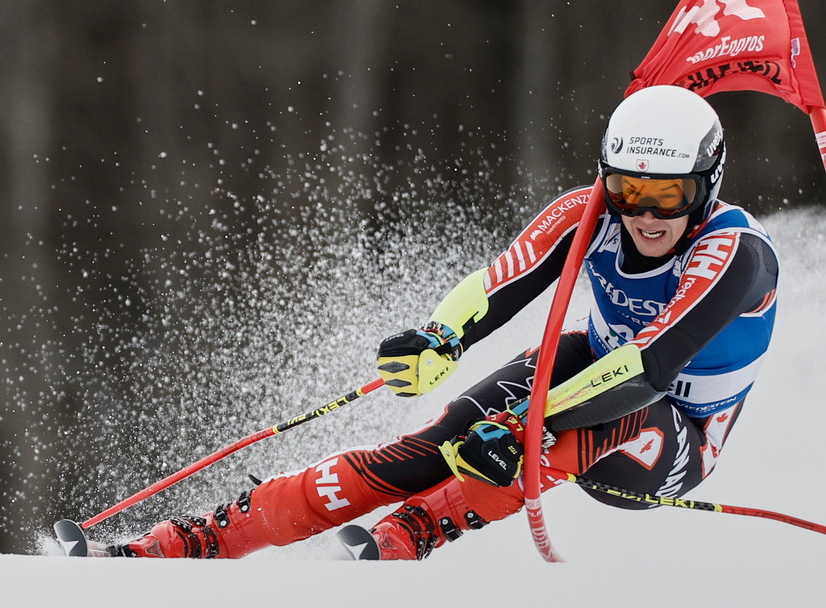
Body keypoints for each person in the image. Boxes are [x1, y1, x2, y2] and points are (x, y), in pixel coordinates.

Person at [114, 85, 779, 560]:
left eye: (670, 194)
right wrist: (441, 336)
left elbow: (650, 366)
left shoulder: (735, 251)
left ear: (708, 185)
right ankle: (203, 537)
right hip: (586, 368)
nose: (646, 213)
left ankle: (405, 539)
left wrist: (523, 426)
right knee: (435, 442)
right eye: (628, 188)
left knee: (544, 441)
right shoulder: (590, 212)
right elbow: (500, 281)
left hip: (677, 431)